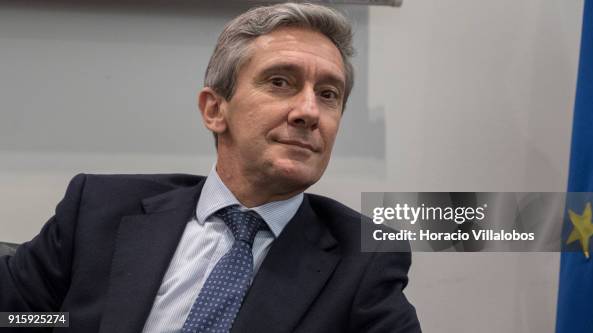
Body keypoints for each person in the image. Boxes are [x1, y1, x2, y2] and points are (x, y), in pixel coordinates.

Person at [0, 3, 420, 332]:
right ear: (215, 109)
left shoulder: (364, 255)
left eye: (328, 94)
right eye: (280, 82)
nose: (309, 111)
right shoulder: (98, 208)